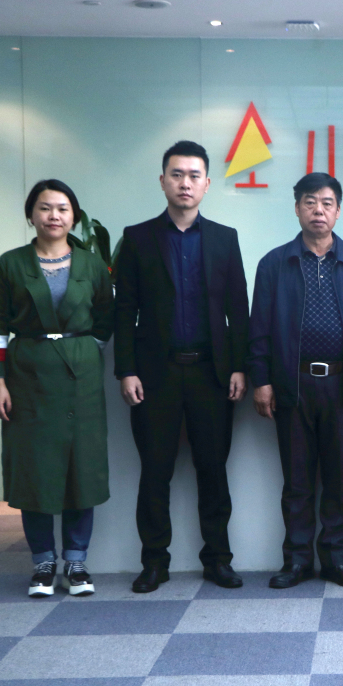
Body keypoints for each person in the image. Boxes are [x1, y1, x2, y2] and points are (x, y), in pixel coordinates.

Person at [113, 140, 250, 593]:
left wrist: (239, 367)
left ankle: (218, 560)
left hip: (212, 374)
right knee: (156, 471)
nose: (185, 183)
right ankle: (154, 562)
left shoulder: (225, 238)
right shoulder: (137, 238)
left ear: (207, 184)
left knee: (213, 470)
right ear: (162, 181)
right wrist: (126, 369)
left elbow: (238, 310)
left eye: (194, 176)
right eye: (177, 174)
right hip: (156, 376)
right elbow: (124, 310)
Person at [248, 172, 343, 589]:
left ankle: (337, 558)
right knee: (297, 479)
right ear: (297, 209)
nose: (318, 210)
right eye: (309, 202)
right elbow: (259, 328)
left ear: (338, 211)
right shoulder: (274, 264)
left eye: (326, 203)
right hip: (293, 385)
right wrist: (261, 380)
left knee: (341, 479)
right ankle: (297, 560)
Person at [0, 179, 113, 598]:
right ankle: (42, 562)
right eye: (44, 208)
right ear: (31, 215)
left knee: (82, 468)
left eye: (62, 208)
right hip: (27, 378)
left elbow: (106, 318)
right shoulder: (10, 264)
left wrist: (84, 349)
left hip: (81, 379)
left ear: (74, 216)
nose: (54, 216)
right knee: (34, 471)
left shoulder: (91, 264)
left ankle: (76, 561)